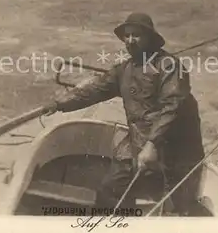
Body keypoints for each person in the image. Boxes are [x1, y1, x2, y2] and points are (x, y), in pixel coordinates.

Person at [47, 12, 206, 216]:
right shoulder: (124, 70)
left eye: (137, 35)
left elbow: (172, 106)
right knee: (110, 190)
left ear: (150, 38)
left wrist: (152, 145)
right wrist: (58, 104)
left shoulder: (170, 66)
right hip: (138, 143)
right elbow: (94, 90)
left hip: (177, 149)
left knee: (183, 209)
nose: (130, 40)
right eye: (127, 36)